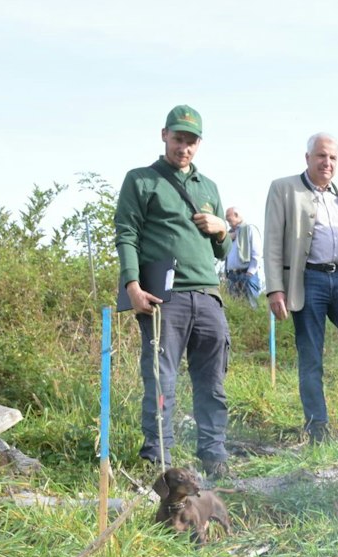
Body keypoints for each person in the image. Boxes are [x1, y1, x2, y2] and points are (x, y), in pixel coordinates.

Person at [114, 105, 233, 478]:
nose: (184, 147)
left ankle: (214, 456)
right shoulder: (141, 180)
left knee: (212, 382)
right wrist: (132, 285)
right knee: (161, 378)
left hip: (208, 295)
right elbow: (127, 234)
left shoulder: (208, 187)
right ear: (164, 135)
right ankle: (158, 460)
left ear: (199, 144)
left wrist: (222, 229)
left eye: (191, 141)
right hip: (165, 298)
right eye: (178, 138)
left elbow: (222, 253)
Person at [263, 133, 338, 442]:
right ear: (307, 158)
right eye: (320, 156)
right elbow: (273, 241)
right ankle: (317, 430)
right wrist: (275, 289)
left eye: (332, 158)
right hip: (308, 280)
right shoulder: (283, 188)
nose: (326, 162)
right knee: (311, 357)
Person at [222, 206, 261, 308]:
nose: (226, 220)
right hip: (232, 276)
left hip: (246, 275)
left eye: (228, 217)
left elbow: (257, 253)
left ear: (236, 215)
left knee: (251, 308)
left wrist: (250, 273)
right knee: (234, 308)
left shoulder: (250, 229)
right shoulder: (229, 234)